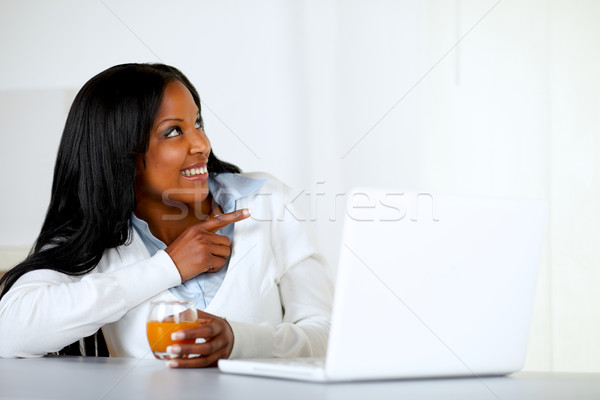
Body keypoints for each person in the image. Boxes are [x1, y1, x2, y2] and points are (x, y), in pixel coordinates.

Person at [0, 63, 333, 368]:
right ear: (121, 152)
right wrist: (168, 267)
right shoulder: (94, 235)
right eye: (174, 131)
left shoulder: (264, 202)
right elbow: (11, 330)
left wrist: (238, 341)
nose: (201, 143)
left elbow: (329, 335)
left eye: (197, 123)